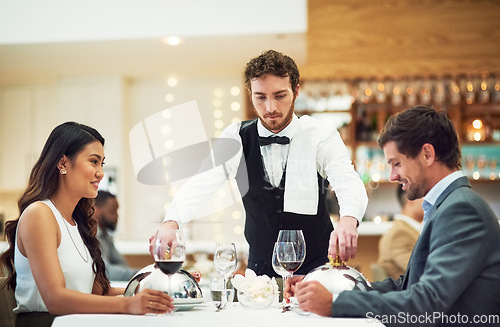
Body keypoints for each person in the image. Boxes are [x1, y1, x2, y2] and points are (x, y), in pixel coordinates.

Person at [150, 49, 368, 278]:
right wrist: (171, 222)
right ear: (250, 94)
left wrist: (348, 220)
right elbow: (202, 181)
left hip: (317, 270)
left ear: (296, 91)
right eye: (261, 97)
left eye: (280, 95)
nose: (270, 108)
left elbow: (347, 180)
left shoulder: (320, 135)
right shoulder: (236, 136)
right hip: (260, 273)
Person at [285, 106, 500, 326]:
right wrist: (325, 284)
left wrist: (335, 303)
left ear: (427, 154)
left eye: (397, 163)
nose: (393, 175)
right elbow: (408, 286)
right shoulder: (447, 205)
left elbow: (426, 304)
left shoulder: (461, 210)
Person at [0, 122, 173, 327]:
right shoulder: (40, 214)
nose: (100, 172)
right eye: (93, 162)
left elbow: (100, 292)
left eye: (102, 163)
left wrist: (157, 288)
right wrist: (128, 305)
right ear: (63, 163)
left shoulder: (78, 223)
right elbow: (56, 300)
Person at [377, 184, 423, 279]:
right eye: (425, 196)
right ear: (410, 199)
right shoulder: (400, 234)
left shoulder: (408, 230)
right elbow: (421, 271)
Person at [94, 190, 139, 281]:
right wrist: (142, 275)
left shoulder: (105, 236)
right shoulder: (91, 235)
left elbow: (121, 263)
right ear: (96, 210)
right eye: (112, 211)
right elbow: (105, 272)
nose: (117, 216)